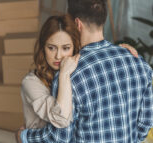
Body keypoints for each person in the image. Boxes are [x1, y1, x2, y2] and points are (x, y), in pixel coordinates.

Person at [18, 0, 153, 142]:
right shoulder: (139, 63)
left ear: (77, 24)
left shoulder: (69, 75)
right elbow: (145, 124)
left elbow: (59, 138)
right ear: (103, 19)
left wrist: (23, 136)